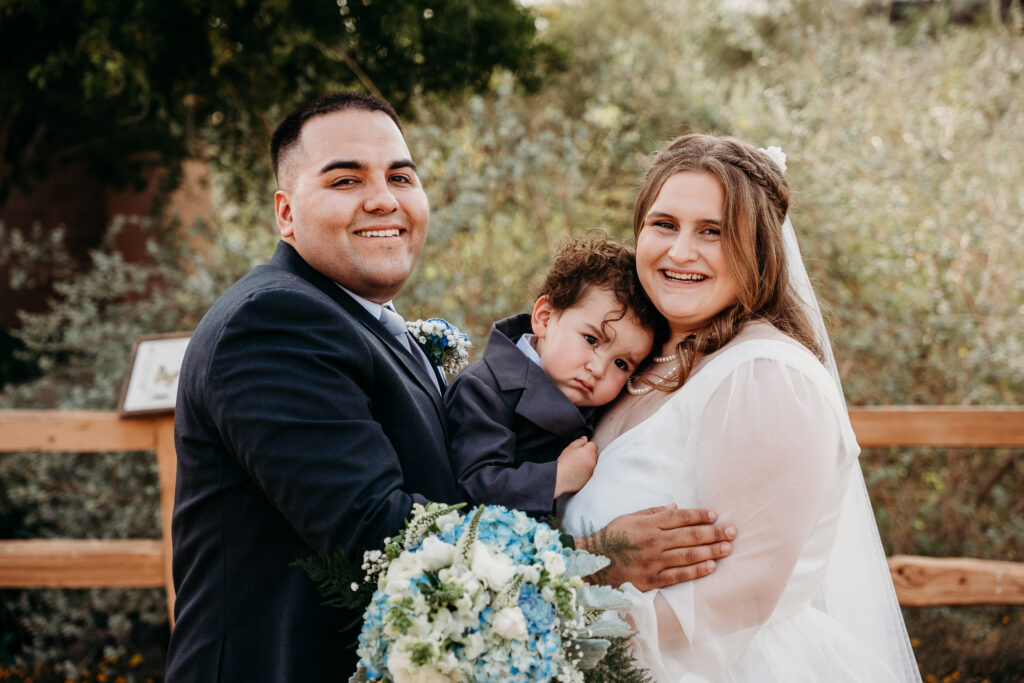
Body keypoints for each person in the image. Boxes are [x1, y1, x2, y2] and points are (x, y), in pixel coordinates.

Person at [166, 93, 735, 682]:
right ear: (286, 214)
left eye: (400, 175)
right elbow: (380, 533)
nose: (383, 198)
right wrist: (598, 558)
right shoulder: (272, 325)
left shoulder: (358, 320)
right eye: (345, 180)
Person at [562, 134, 921, 682]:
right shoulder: (627, 363)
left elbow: (744, 591)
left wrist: (559, 626)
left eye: (713, 232)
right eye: (664, 224)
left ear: (758, 248)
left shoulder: (762, 374)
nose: (681, 251)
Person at [445, 234, 661, 517]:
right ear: (544, 318)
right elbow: (473, 487)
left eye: (621, 363)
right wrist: (558, 476)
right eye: (592, 340)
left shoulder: (593, 399)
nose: (598, 369)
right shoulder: (484, 390)